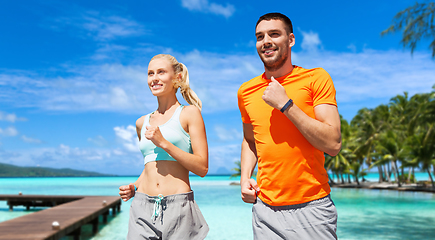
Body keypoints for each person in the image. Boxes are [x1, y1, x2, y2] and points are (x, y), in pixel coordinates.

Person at [237, 12, 342, 239]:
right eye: (260, 36)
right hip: (264, 210)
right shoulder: (245, 91)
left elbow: (333, 143)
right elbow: (250, 139)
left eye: (274, 34)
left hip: (312, 209)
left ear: (291, 40)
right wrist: (245, 177)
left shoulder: (316, 78)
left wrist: (285, 104)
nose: (266, 41)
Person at [119, 54, 209, 240]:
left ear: (177, 78)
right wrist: (134, 186)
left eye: (161, 72)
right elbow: (151, 164)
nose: (154, 78)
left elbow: (202, 167)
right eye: (150, 73)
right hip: (142, 207)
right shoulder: (141, 122)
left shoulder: (189, 114)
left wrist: (164, 143)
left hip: (179, 208)